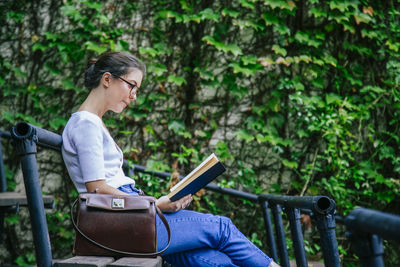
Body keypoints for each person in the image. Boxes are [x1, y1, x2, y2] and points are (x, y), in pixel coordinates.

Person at [62, 51, 278, 267]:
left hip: (127, 218)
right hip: (122, 222)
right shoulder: (86, 123)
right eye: (131, 85)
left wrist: (152, 205)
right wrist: (154, 205)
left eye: (136, 89)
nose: (134, 96)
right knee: (222, 227)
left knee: (213, 261)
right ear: (107, 79)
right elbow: (97, 188)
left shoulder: (92, 123)